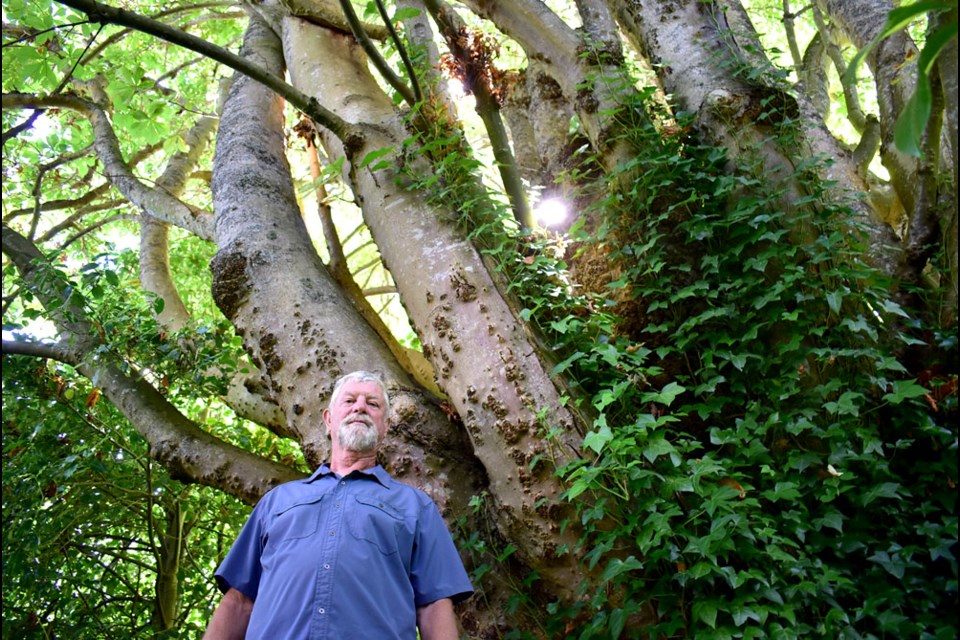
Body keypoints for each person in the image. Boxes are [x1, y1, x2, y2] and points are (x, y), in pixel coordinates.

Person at [204, 371, 473, 640]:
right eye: (349, 401)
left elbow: (434, 607)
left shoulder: (416, 507)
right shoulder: (276, 501)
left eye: (373, 403)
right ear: (328, 419)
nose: (360, 407)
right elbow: (239, 601)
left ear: (386, 426)